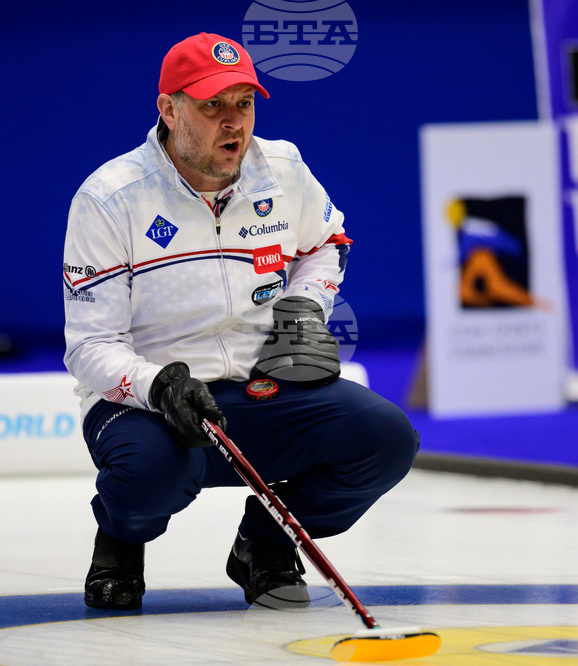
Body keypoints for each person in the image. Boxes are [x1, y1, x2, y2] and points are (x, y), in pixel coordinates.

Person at [63, 33, 419, 611]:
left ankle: (266, 541)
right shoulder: (110, 198)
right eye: (212, 107)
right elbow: (90, 346)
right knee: (146, 475)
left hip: (264, 387)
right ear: (169, 109)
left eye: (244, 104)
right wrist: (158, 384)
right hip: (153, 403)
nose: (234, 123)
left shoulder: (281, 168)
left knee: (384, 438)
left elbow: (327, 241)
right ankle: (120, 544)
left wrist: (305, 305)